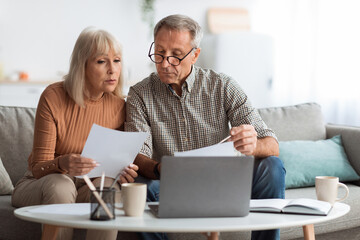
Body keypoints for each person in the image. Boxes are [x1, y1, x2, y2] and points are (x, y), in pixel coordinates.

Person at [125, 14, 285, 240]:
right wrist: (164, 169)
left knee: (273, 167)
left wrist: (252, 146)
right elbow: (137, 156)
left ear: (195, 55)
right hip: (171, 185)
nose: (164, 63)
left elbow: (272, 144)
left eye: (176, 56)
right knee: (142, 186)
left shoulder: (223, 85)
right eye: (159, 52)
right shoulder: (140, 94)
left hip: (224, 182)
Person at [11, 27, 139, 240]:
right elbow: (38, 167)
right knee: (60, 184)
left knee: (109, 188)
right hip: (40, 183)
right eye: (101, 61)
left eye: (116, 60)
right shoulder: (54, 96)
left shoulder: (119, 105)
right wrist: (62, 163)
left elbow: (113, 161)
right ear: (82, 65)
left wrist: (127, 170)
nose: (113, 70)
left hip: (87, 186)